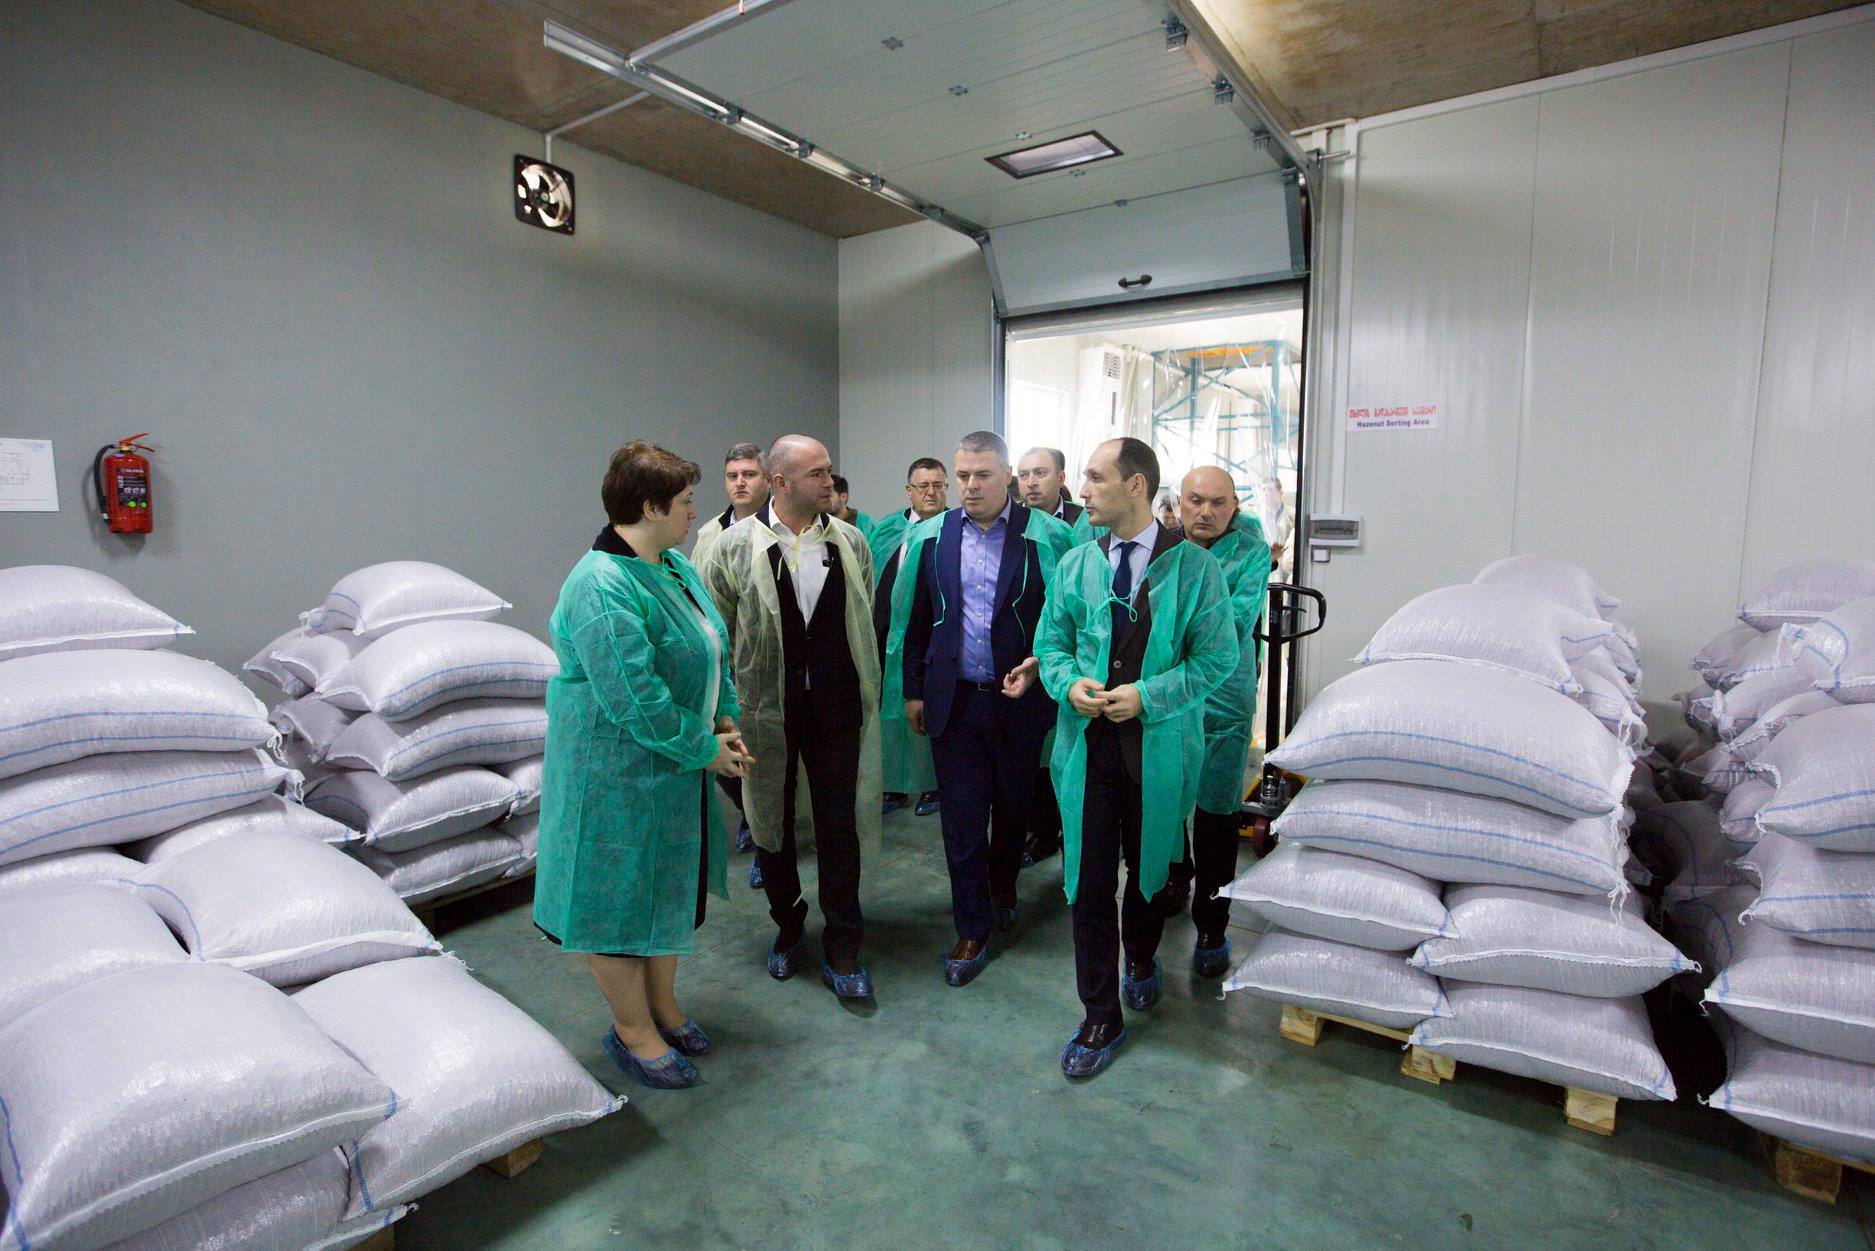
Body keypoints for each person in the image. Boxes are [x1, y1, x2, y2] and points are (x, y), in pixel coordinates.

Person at [534, 441, 754, 1090]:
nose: (694, 511)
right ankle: (632, 1030)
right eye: (685, 501)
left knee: (664, 892)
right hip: (614, 775)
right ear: (651, 507)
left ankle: (663, 1008)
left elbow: (711, 649)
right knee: (617, 906)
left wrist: (724, 718)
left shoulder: (672, 566)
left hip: (670, 765)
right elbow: (635, 698)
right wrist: (705, 748)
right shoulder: (600, 586)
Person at [1036, 437, 1237, 1078]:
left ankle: (1143, 957)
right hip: (1088, 752)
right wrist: (1068, 683)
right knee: (1089, 879)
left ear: (1136, 486)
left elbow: (1216, 658)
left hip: (1158, 752)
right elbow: (1052, 643)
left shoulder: (1195, 570)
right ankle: (1099, 1014)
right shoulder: (1077, 564)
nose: (1082, 489)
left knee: (1150, 868)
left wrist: (1148, 696)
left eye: (1096, 478)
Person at [700, 434, 883, 1001]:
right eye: (817, 474)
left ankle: (843, 943)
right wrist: (725, 714)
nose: (830, 482)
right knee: (769, 824)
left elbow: (860, 614)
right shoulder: (733, 549)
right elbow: (717, 636)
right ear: (780, 483)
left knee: (838, 826)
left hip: (836, 710)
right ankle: (787, 926)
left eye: (828, 471)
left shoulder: (850, 542)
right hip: (763, 712)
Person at [901, 432, 1073, 987]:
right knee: (962, 819)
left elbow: (1065, 620)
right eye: (963, 476)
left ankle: (1003, 888)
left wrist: (1043, 669)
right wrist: (914, 689)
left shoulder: (1045, 537)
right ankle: (971, 928)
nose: (970, 487)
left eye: (982, 476)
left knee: (1013, 808)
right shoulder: (934, 536)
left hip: (1019, 701)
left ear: (1008, 479)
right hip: (955, 700)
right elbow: (917, 618)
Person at [1171, 466, 1270, 977]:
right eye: (1195, 500)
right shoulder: (1163, 548)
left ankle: (1212, 923)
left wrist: (1172, 625)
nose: (1205, 512)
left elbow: (1234, 621)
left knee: (1216, 811)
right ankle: (1176, 876)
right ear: (1179, 502)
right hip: (1169, 699)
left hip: (1225, 702)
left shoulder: (1250, 552)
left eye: (1217, 502)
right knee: (1167, 802)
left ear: (1234, 506)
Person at [868, 457, 950, 818]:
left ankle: (933, 784)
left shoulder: (954, 528)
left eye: (938, 485)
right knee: (890, 710)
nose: (931, 492)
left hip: (932, 634)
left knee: (929, 707)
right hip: (888, 634)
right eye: (923, 486)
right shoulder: (888, 528)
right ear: (909, 490)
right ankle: (895, 785)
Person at [691, 443, 769, 571]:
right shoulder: (708, 534)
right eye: (732, 476)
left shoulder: (784, 526)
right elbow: (697, 582)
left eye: (749, 474)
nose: (739, 483)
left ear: (768, 480)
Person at [1015, 447, 1095, 542]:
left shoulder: (1085, 521)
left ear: (1060, 479)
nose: (1031, 483)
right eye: (1023, 475)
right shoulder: (1007, 517)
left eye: (1040, 473)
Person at [830, 474, 877, 542]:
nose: (825, 500)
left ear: (843, 497)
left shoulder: (866, 524)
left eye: (829, 496)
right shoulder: (818, 523)